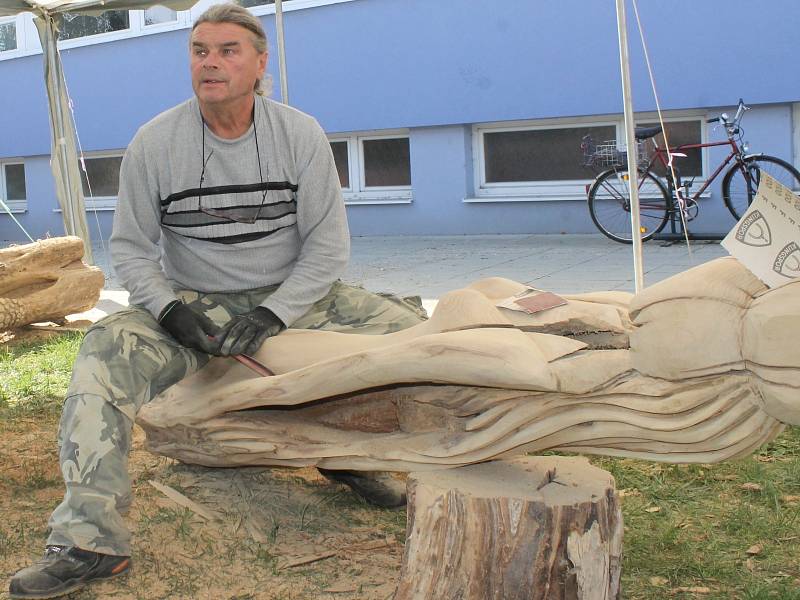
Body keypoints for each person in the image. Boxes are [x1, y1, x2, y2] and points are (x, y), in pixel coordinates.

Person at [9, 4, 425, 598]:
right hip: (195, 299)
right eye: (200, 51)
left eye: (228, 50)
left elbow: (328, 248)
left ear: (260, 62)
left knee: (421, 337)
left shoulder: (299, 133)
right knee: (102, 355)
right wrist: (170, 311)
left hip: (294, 297)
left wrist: (275, 312)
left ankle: (347, 453)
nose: (211, 62)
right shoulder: (155, 142)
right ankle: (88, 541)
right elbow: (130, 248)